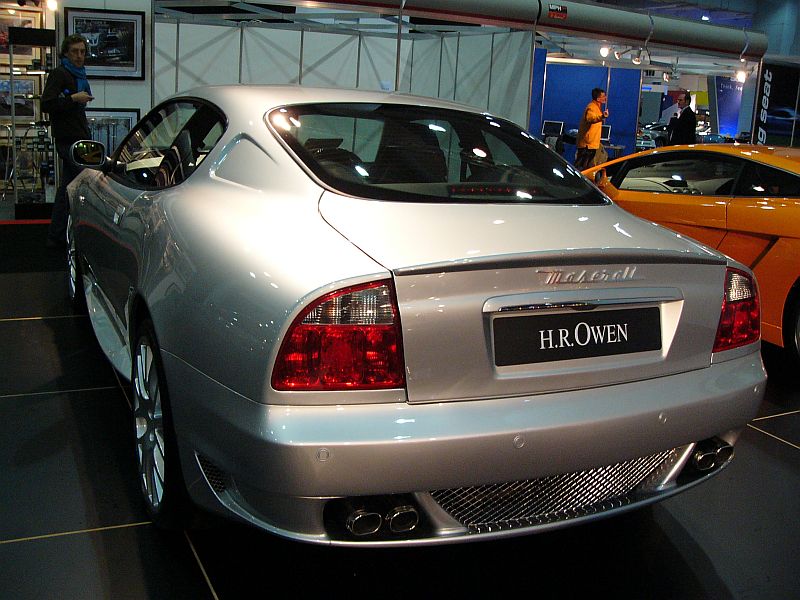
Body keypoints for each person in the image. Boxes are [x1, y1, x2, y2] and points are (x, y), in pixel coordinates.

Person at [41, 34, 94, 248]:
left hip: (78, 136)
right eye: (75, 51)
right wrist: (73, 99)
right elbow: (47, 104)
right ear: (66, 53)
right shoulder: (60, 74)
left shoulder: (78, 75)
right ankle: (65, 235)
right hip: (68, 139)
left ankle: (58, 235)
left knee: (69, 188)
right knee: (76, 187)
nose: (80, 56)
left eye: (82, 52)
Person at [574, 87, 609, 170]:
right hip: (587, 145)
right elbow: (590, 118)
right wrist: (602, 116)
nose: (605, 98)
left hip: (590, 144)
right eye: (603, 96)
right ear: (598, 98)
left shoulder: (596, 107)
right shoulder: (592, 107)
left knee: (585, 166)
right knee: (581, 166)